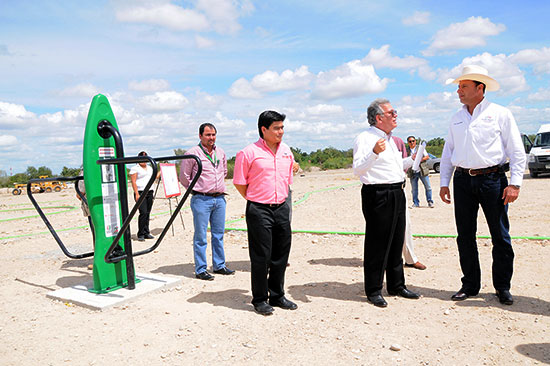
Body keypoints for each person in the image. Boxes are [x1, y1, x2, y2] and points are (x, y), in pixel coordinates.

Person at [440, 65, 526, 305]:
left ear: (480, 88)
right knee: (464, 235)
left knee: (500, 235)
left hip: (493, 180)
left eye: (463, 86)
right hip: (463, 180)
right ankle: (470, 284)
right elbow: (449, 152)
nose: (459, 91)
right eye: (458, 87)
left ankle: (502, 287)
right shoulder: (456, 118)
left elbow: (517, 151)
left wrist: (515, 184)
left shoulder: (500, 114)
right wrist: (444, 182)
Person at [353, 98, 420, 308]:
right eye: (392, 112)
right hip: (378, 193)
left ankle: (396, 285)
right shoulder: (365, 138)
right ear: (378, 118)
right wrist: (374, 153)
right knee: (377, 242)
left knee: (396, 239)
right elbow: (358, 169)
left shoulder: (391, 140)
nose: (395, 115)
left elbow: (395, 167)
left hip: (396, 191)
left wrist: (413, 160)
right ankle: (373, 289)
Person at [233, 110, 297, 315]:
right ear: (264, 129)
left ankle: (277, 295)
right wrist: (257, 199)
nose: (281, 132)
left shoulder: (286, 150)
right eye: (277, 128)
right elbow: (240, 183)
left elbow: (288, 179)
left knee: (281, 254)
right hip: (259, 209)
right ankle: (260, 299)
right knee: (261, 256)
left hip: (281, 207)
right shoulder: (248, 152)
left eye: (282, 127)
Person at [179, 123, 234, 281]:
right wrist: (197, 189)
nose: (211, 138)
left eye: (214, 134)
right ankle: (201, 269)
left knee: (218, 235)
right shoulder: (192, 154)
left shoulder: (220, 152)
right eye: (208, 135)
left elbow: (224, 171)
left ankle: (219, 265)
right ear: (200, 136)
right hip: (201, 199)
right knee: (201, 236)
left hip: (219, 198)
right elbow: (184, 177)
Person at [392, 136, 427, 271]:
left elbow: (404, 166)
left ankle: (410, 259)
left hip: (399, 187)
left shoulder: (397, 141)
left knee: (405, 225)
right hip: (380, 190)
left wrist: (411, 160)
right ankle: (383, 261)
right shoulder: (369, 139)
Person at [129, 151, 157, 241]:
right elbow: (133, 181)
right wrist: (136, 193)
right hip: (140, 192)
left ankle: (146, 232)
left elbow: (154, 177)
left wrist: (163, 170)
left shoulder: (150, 168)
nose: (144, 160)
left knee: (148, 213)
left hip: (150, 191)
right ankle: (140, 233)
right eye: (142, 158)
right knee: (143, 212)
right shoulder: (135, 168)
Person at [406, 136, 434, 208]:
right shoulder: (407, 150)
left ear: (415, 141)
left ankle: (430, 201)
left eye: (413, 141)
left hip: (422, 171)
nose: (412, 142)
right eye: (410, 141)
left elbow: (427, 156)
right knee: (414, 189)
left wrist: (419, 160)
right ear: (408, 143)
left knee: (428, 187)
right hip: (413, 172)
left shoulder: (420, 148)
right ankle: (416, 203)